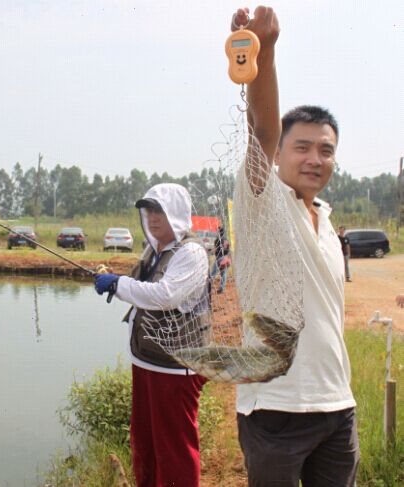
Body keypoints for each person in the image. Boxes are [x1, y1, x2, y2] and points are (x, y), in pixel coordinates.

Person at [231, 6, 359, 486]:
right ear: (279, 156)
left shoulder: (325, 219)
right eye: (301, 147)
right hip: (276, 408)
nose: (314, 159)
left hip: (337, 406)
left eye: (326, 150)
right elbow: (262, 130)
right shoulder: (264, 203)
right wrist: (264, 53)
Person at [94, 183, 210, 487]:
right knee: (145, 441)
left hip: (176, 366)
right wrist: (114, 282)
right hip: (147, 359)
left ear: (177, 213)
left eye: (160, 210)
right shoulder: (155, 250)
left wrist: (118, 284)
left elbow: (165, 295)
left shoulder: (191, 253)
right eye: (148, 210)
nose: (153, 217)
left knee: (175, 447)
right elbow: (139, 288)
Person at [210, 226, 231, 293]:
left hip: (219, 258)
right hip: (225, 258)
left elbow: (215, 249)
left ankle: (208, 287)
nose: (216, 232)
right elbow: (228, 250)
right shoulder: (226, 239)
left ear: (219, 232)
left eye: (217, 231)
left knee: (213, 273)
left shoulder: (217, 240)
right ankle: (222, 288)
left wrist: (211, 252)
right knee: (223, 274)